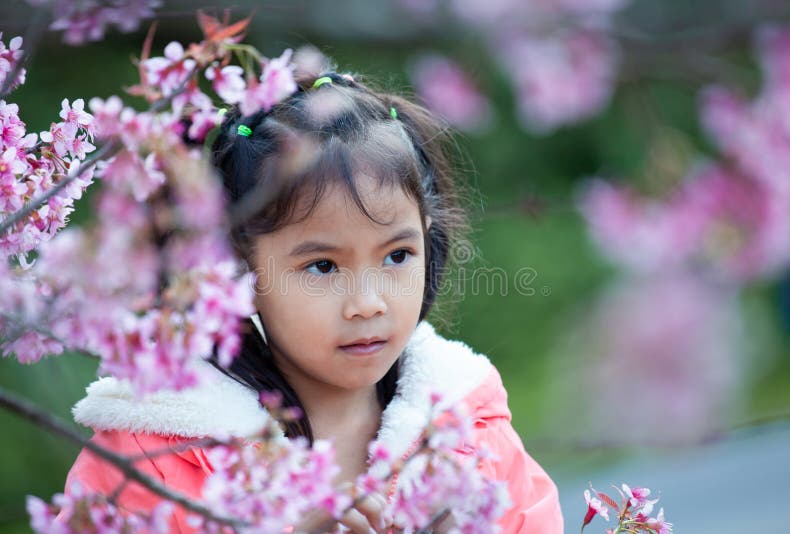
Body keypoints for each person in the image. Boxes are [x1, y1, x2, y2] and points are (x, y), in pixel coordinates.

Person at [62, 69, 564, 533]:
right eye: (322, 266)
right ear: (238, 270)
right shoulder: (156, 454)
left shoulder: (475, 441)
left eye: (397, 256)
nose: (368, 304)